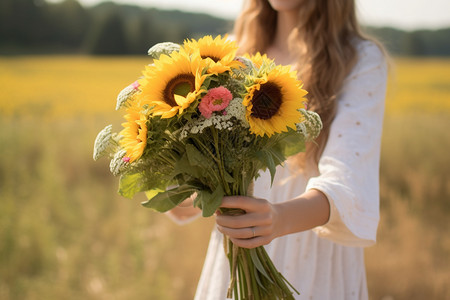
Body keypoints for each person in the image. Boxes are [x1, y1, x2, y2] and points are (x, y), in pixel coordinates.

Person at [168, 0, 388, 299]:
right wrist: (169, 169)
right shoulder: (229, 56)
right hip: (233, 265)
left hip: (314, 261)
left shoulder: (360, 59)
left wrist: (278, 218)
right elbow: (186, 205)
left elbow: (347, 182)